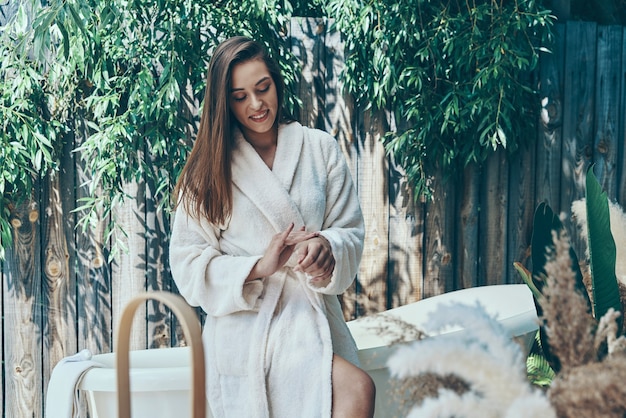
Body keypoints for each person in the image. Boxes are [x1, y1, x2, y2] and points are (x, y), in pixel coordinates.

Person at [169, 36, 375, 418]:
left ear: (276, 82)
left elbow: (349, 230)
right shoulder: (207, 171)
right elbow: (187, 262)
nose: (256, 104)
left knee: (358, 388)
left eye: (263, 88)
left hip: (312, 320)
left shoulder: (320, 149)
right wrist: (259, 266)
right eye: (240, 96)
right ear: (224, 103)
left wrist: (327, 249)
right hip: (248, 330)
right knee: (357, 388)